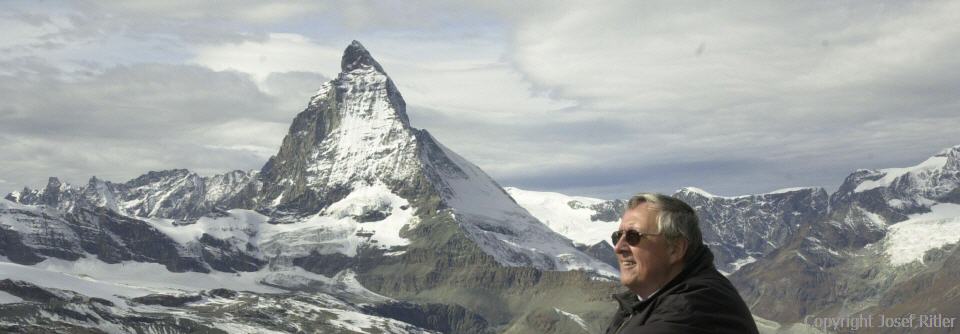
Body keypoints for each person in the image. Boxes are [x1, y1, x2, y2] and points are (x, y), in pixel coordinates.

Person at [605, 193, 759, 334]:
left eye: (633, 236)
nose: (618, 247)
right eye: (617, 236)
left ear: (675, 249)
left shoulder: (694, 307)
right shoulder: (644, 301)